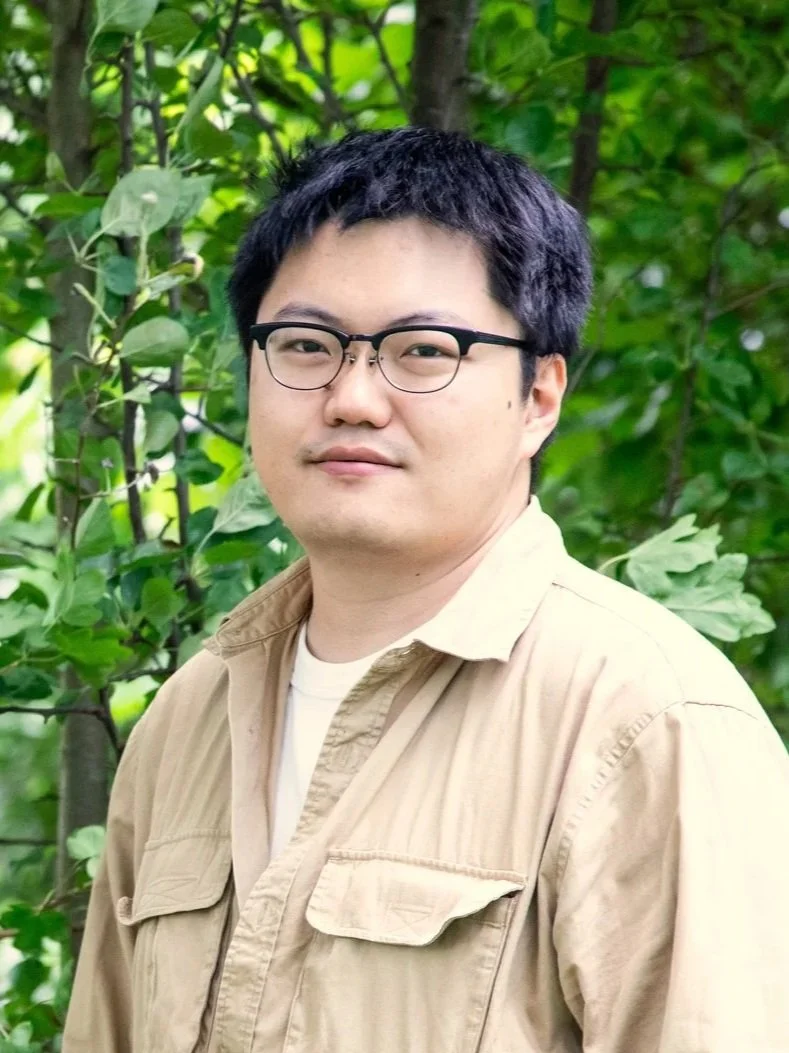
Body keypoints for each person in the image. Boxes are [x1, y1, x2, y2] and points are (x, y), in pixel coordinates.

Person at [63, 128, 789, 1053]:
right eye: (306, 343)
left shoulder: (646, 722)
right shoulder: (188, 718)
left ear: (539, 397)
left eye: (422, 350)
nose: (353, 397)